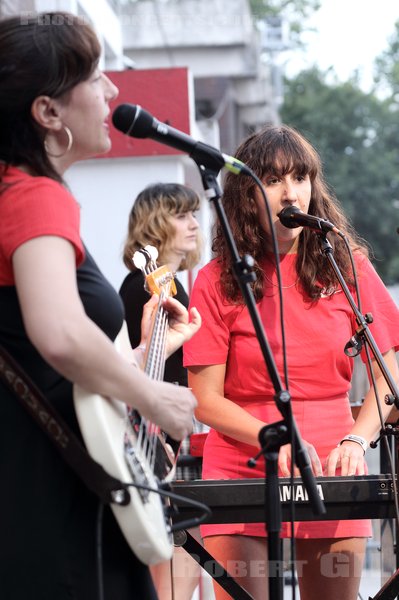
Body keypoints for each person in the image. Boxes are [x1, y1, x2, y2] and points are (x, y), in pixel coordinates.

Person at [0, 12, 201, 600]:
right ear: (48, 112)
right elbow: (58, 333)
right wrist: (154, 396)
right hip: (50, 494)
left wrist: (137, 360)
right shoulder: (34, 194)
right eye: (94, 77)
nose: (114, 90)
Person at [183, 124, 399, 600]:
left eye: (300, 177)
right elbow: (205, 399)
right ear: (246, 194)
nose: (290, 192)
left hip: (331, 467)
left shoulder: (346, 265)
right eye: (275, 179)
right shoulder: (218, 278)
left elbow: (391, 373)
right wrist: (268, 437)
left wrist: (355, 439)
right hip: (244, 466)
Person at [119, 182, 204, 600]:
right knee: (176, 564)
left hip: (166, 438)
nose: (193, 223)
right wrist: (152, 437)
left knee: (183, 561)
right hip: (157, 441)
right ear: (154, 222)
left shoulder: (164, 282)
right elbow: (142, 371)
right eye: (181, 214)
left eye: (194, 214)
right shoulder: (145, 286)